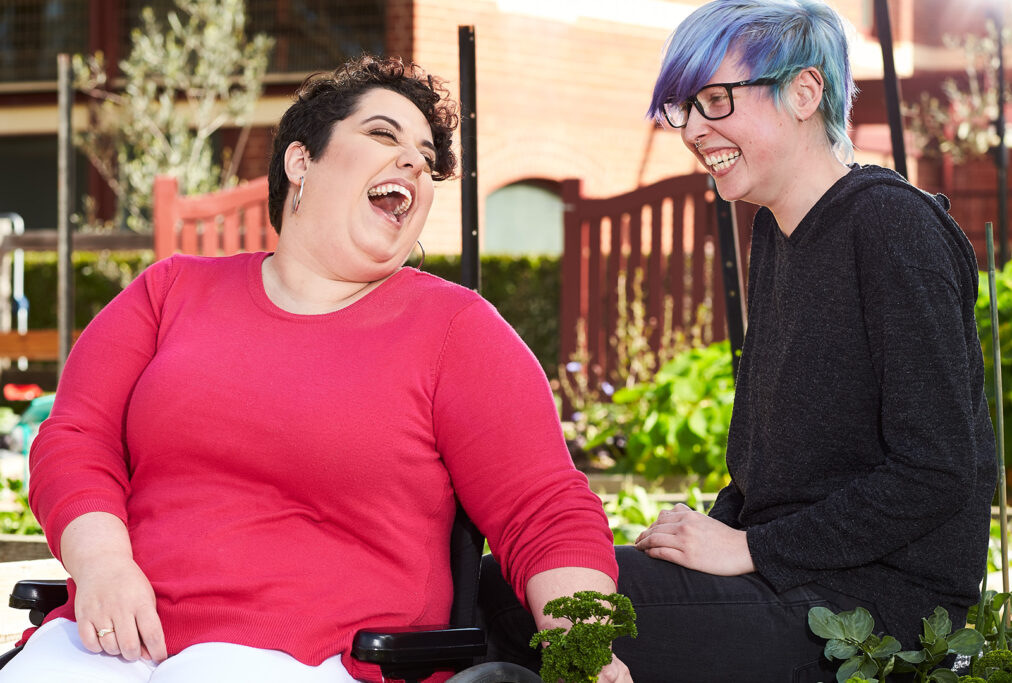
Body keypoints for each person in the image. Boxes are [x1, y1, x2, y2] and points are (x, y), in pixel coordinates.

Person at [5, 56, 630, 683]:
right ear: (301, 161)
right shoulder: (170, 292)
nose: (414, 161)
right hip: (112, 635)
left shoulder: (455, 329)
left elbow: (543, 508)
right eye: (384, 135)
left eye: (427, 156)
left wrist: (584, 647)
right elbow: (76, 439)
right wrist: (105, 567)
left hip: (316, 656)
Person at [479, 1, 997, 680]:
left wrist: (750, 547)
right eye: (683, 108)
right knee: (519, 581)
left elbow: (936, 471)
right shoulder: (776, 235)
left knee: (541, 600)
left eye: (715, 100)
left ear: (806, 92)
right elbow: (775, 466)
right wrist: (707, 533)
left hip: (871, 609)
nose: (693, 129)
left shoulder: (892, 227)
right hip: (787, 578)